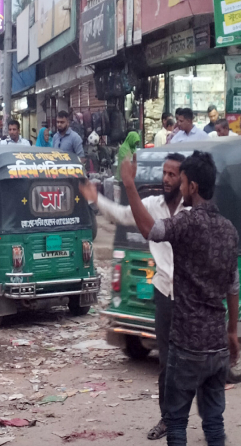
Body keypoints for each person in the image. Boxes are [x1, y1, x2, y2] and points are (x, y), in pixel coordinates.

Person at [121, 152, 240, 446]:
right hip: (217, 345)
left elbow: (151, 229)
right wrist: (233, 331)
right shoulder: (229, 230)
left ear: (193, 187)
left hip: (187, 344)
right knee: (214, 421)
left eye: (182, 181)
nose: (179, 187)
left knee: (176, 422)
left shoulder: (187, 223)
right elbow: (233, 287)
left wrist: (129, 184)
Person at [79, 154, 186, 441]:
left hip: (191, 297)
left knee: (195, 362)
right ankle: (169, 420)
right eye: (164, 173)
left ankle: (209, 423)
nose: (165, 178)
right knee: (167, 361)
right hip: (165, 293)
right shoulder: (153, 205)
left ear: (184, 179)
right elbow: (123, 215)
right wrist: (96, 199)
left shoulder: (193, 210)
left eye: (172, 174)